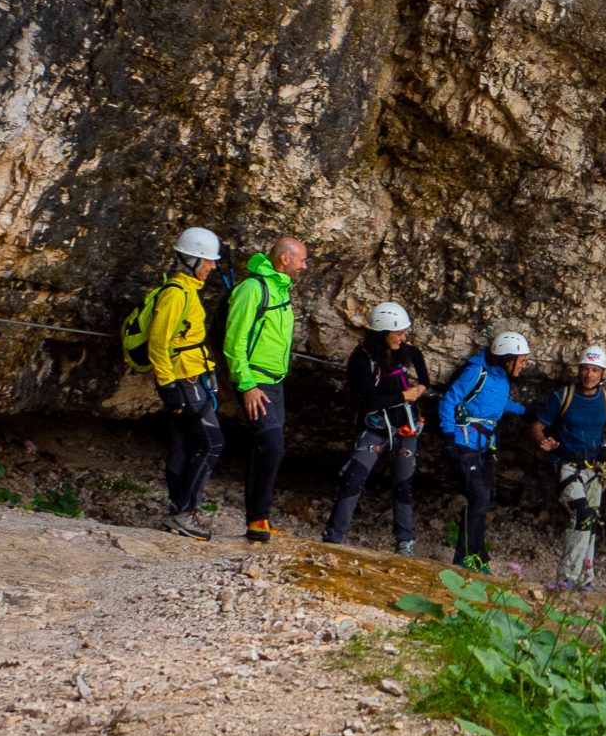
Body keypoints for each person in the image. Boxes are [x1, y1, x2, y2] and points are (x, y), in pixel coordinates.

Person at [136, 226, 222, 539]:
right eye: (207, 261)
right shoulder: (176, 294)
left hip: (192, 375)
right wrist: (169, 387)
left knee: (185, 442)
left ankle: (179, 509)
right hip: (183, 379)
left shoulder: (187, 291)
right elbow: (158, 342)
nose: (212, 266)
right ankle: (185, 513)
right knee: (212, 443)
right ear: (191, 259)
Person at [322, 302, 429, 554]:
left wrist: (421, 387)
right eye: (398, 333)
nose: (403, 337)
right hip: (375, 428)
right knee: (354, 479)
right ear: (382, 332)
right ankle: (333, 537)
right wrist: (404, 395)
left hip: (405, 428)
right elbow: (370, 401)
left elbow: (419, 361)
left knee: (403, 484)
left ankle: (405, 541)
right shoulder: (363, 359)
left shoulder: (404, 351)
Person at [224, 236, 305, 545]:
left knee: (268, 447)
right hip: (255, 381)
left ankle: (259, 519)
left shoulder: (280, 289)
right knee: (271, 446)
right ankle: (257, 518)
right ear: (285, 258)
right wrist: (247, 385)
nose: (304, 266)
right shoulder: (253, 289)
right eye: (301, 260)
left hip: (274, 383)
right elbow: (234, 340)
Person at [437, 330, 536, 570]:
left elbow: (497, 403)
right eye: (522, 360)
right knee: (478, 497)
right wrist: (449, 438)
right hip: (463, 444)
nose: (524, 365)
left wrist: (525, 412)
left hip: (484, 447)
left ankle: (478, 555)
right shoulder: (476, 372)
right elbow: (449, 400)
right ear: (508, 359)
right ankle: (463, 557)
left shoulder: (501, 378)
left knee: (482, 500)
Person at [530, 346, 606, 592]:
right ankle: (567, 578)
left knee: (591, 521)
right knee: (582, 515)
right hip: (567, 467)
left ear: (603, 373)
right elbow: (537, 426)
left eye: (595, 370)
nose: (589, 375)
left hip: (595, 468)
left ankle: (585, 579)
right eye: (585, 369)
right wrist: (543, 440)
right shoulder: (563, 396)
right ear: (579, 370)